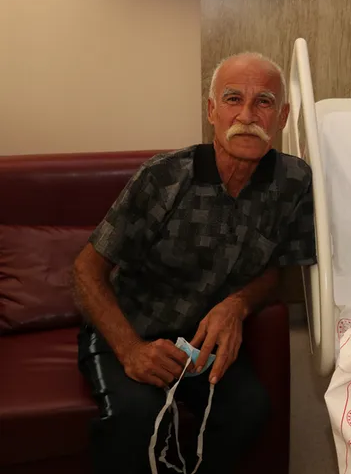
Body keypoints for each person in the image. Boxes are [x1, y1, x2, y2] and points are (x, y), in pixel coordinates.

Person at [72, 52, 315, 473]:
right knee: (134, 420)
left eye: (264, 102)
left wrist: (238, 304)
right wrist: (131, 350)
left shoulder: (293, 182)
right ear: (211, 111)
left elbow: (281, 272)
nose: (247, 115)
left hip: (201, 344)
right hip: (128, 328)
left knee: (248, 410)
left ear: (283, 116)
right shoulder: (163, 177)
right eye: (233, 99)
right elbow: (85, 270)